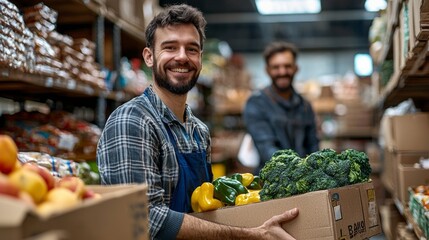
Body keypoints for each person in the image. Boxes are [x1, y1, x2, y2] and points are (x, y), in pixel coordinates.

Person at [97, 4, 298, 240]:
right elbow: (146, 219)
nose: (182, 57)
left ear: (200, 58)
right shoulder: (132, 121)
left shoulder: (199, 131)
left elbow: (206, 208)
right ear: (149, 57)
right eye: (170, 47)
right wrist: (248, 235)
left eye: (191, 49)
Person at [243, 41, 319, 174]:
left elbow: (313, 146)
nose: (282, 71)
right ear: (267, 70)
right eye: (276, 67)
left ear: (296, 68)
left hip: (304, 179)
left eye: (287, 66)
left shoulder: (305, 106)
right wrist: (297, 170)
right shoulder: (256, 103)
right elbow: (266, 147)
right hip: (270, 181)